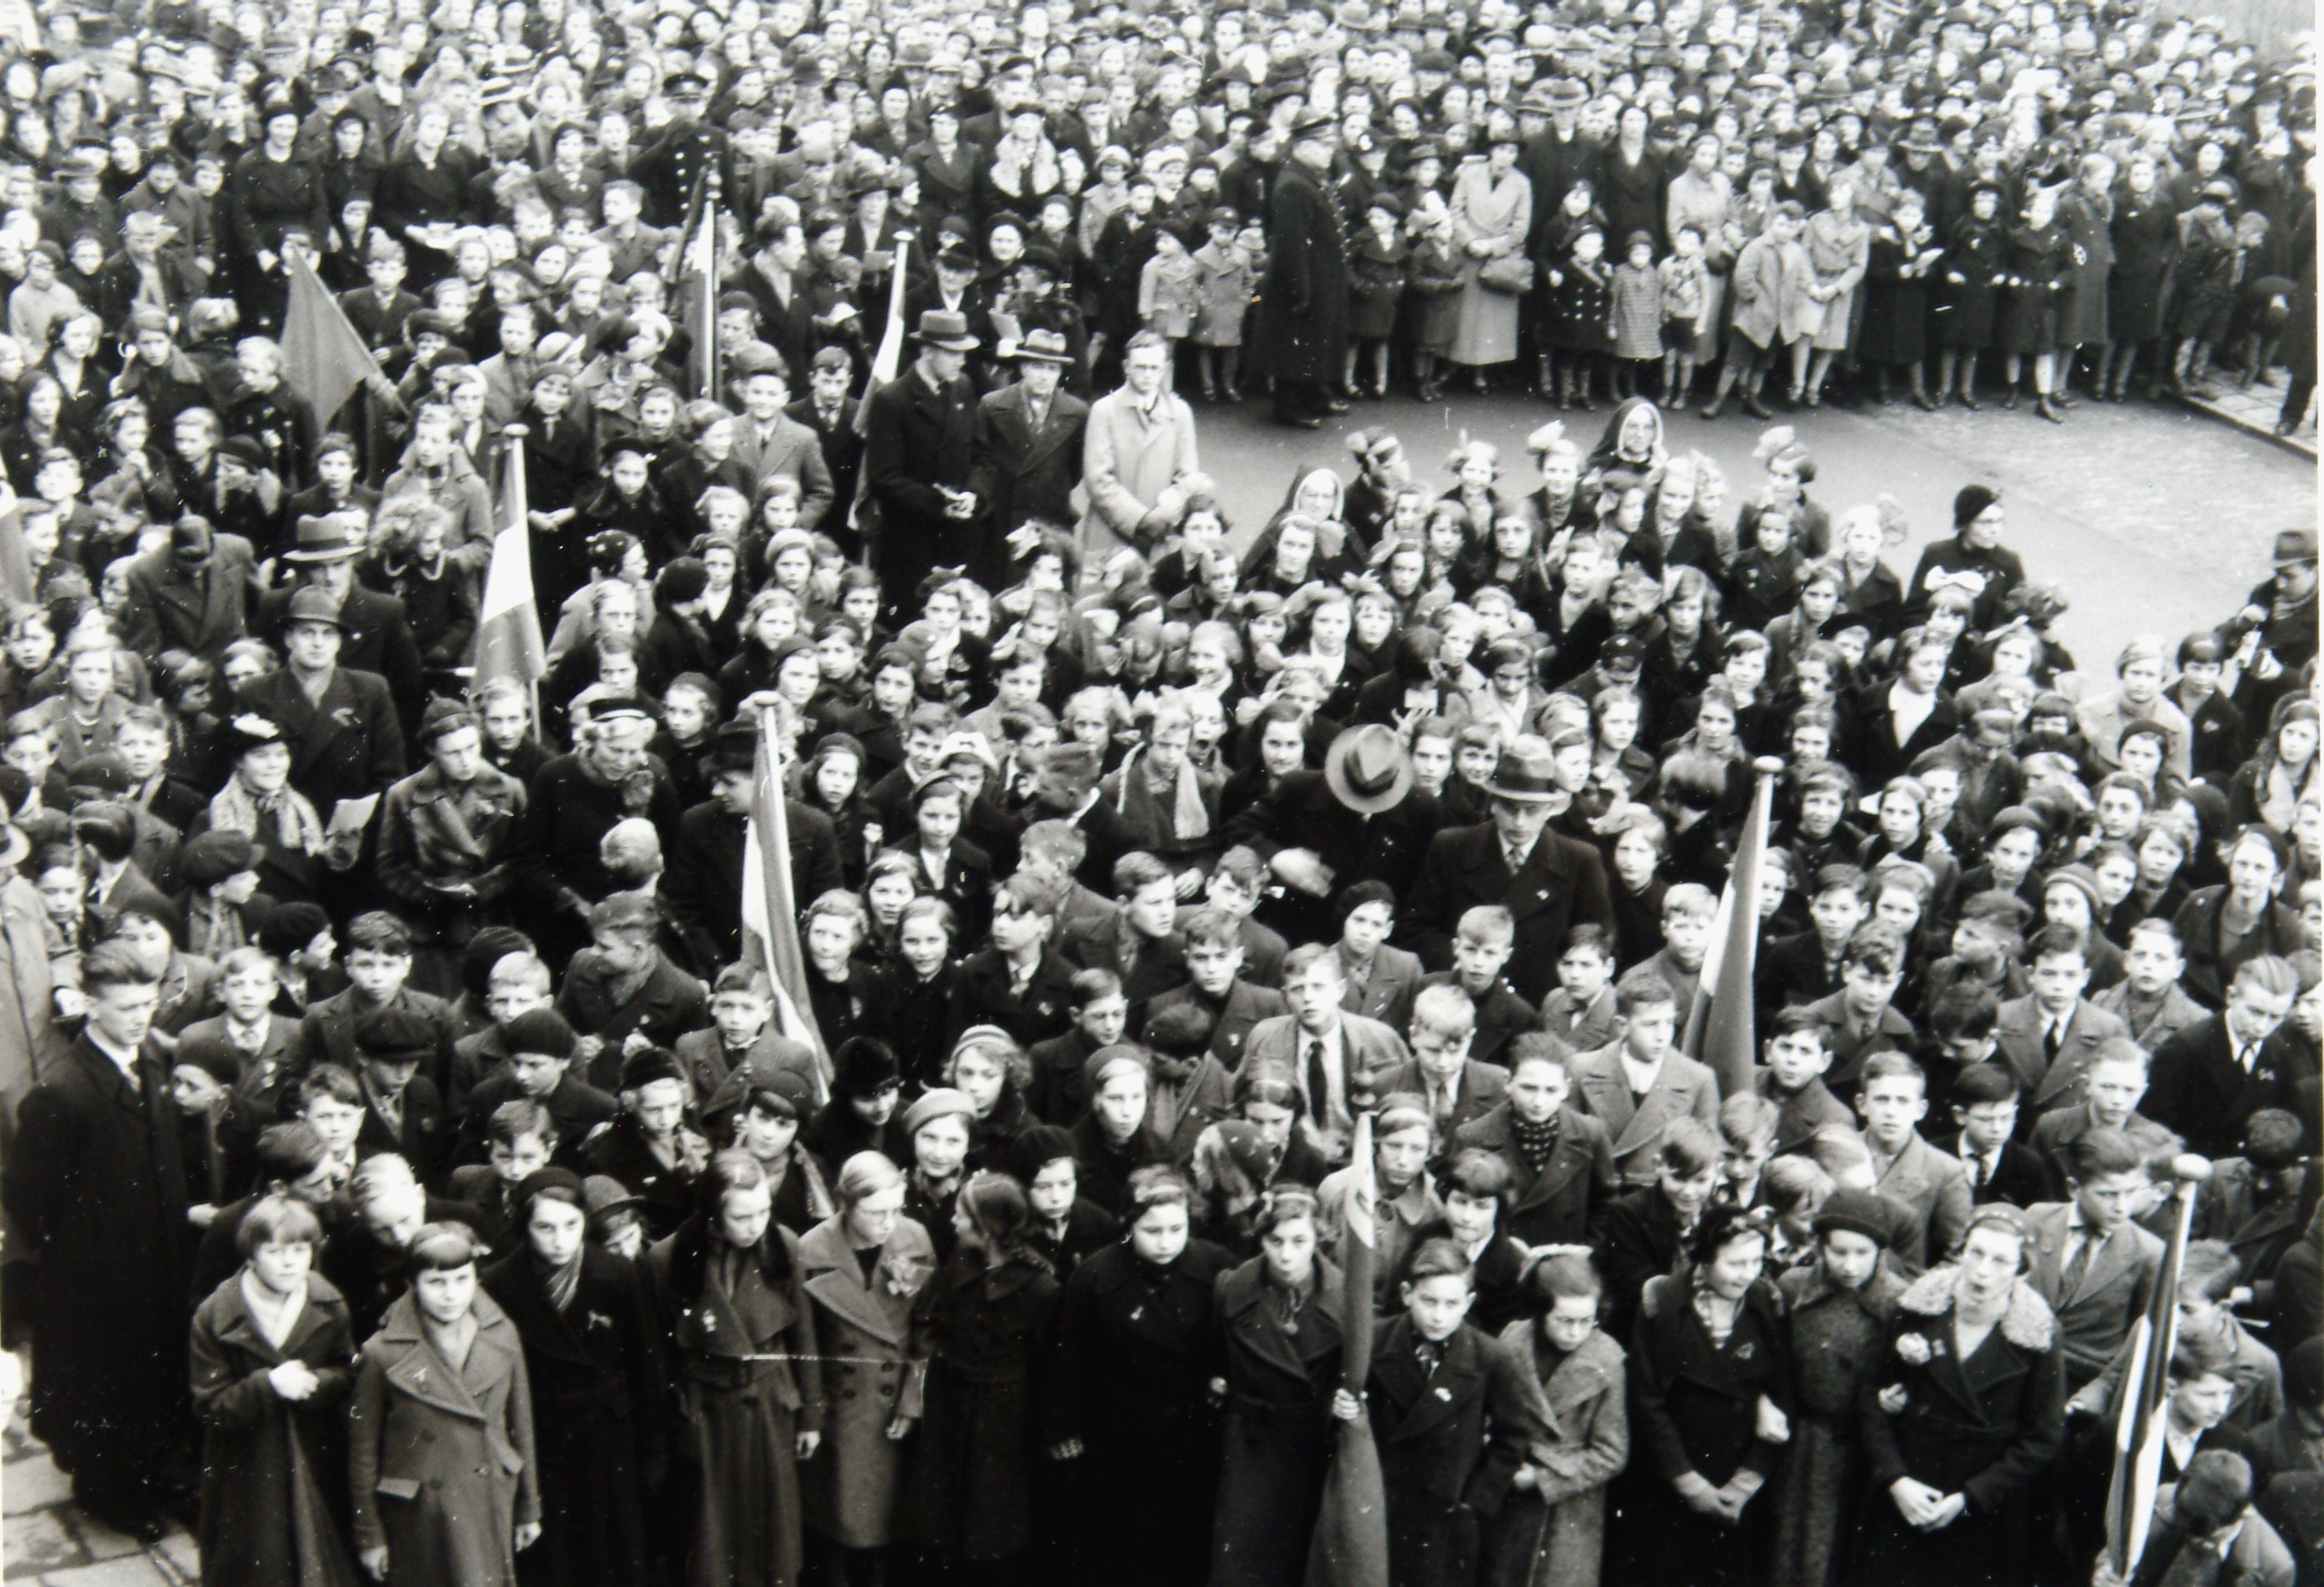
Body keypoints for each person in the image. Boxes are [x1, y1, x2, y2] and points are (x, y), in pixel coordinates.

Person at [2, 938, 193, 1539]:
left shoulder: (151, 1061)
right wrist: (80, 1252)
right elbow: (28, 1196)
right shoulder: (62, 1093)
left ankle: (153, 1473)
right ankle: (108, 1491)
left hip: (158, 1259)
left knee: (153, 1374)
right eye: (126, 1006)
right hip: (95, 1277)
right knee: (104, 1383)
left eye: (147, 1003)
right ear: (90, 1004)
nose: (140, 1017)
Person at [1847, 1202, 2065, 1587]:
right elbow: (1871, 1394)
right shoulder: (1916, 1308)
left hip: (1981, 1507)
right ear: (1961, 1250)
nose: (1983, 1270)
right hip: (1907, 1486)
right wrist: (1896, 1479)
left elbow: (2043, 1437)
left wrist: (1972, 1497)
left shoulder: (2039, 1335)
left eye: (2001, 1260)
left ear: (2022, 1267)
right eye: (1976, 1252)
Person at [646, 1150, 823, 1587]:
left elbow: (803, 1336)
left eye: (764, 1211)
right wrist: (675, 1417)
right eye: (742, 1217)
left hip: (768, 1406)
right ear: (712, 1212)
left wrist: (811, 1416)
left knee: (771, 1533)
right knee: (712, 1535)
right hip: (707, 1410)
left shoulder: (784, 1245)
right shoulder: (668, 1257)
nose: (756, 1226)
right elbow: (662, 1351)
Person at [477, 1168, 662, 1587]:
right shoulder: (499, 1284)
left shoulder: (617, 1274)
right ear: (524, 1227)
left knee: (614, 1558)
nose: (560, 1240)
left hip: (610, 1440)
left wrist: (654, 1450)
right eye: (545, 1227)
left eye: (571, 1225)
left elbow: (647, 1365)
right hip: (543, 1441)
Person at [1055, 1164, 1232, 1587]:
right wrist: (1061, 1427)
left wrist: (1222, 1375)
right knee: (1122, 1547)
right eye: (1153, 1231)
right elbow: (1068, 1358)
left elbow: (1234, 1337)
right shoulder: (1096, 1277)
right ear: (1129, 1226)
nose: (1166, 1242)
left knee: (1182, 1544)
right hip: (1119, 1437)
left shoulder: (1216, 1268)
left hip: (1191, 1435)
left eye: (1177, 1229)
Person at [348, 1222, 543, 1587]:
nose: (451, 1294)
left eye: (462, 1280)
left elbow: (521, 1425)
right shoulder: (382, 1352)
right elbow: (363, 1453)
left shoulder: (502, 1334)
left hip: (488, 1495)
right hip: (422, 1509)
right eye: (436, 1282)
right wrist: (369, 1535)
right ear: (413, 1284)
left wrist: (529, 1506)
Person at [187, 1194, 360, 1587]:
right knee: (258, 1562)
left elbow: (347, 1371)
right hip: (248, 1462)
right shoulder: (215, 1315)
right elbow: (211, 1405)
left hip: (315, 1453)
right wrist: (267, 1385)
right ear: (251, 1256)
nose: (289, 1263)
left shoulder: (328, 1303)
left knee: (321, 1555)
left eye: (300, 1251)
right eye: (275, 1251)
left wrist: (317, 1383)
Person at [899, 1169, 1063, 1576]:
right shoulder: (961, 1261)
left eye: (962, 1214)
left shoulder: (1040, 1289)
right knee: (941, 1517)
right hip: (949, 1405)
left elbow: (1049, 1369)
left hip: (1001, 1417)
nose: (954, 1221)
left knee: (989, 1520)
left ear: (986, 1227)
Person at [1621, 1201, 1794, 1587]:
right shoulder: (1664, 1301)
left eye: (1756, 1262)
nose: (1747, 1274)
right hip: (1672, 1479)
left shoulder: (1767, 1302)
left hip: (1737, 1482)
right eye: (1735, 1263)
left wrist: (1744, 1485)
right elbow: (1646, 1399)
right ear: (1706, 1257)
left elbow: (1783, 1393)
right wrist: (1689, 1484)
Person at [796, 1151, 935, 1587]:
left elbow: (926, 1331)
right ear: (846, 1205)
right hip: (841, 1410)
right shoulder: (812, 1249)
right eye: (876, 1213)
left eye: (897, 1209)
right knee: (839, 1520)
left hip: (892, 1407)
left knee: (888, 1521)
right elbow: (806, 1343)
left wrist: (911, 1402)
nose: (889, 1222)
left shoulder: (914, 1238)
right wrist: (812, 1416)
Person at [1770, 1189, 1910, 1587]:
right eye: (1838, 1252)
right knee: (1791, 1546)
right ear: (1820, 1247)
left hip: (1864, 1449)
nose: (1850, 1265)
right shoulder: (1794, 1288)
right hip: (1801, 1443)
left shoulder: (1897, 1301)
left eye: (1862, 1253)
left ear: (1880, 1252)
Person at [1208, 1185, 1344, 1587]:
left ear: (1318, 1238)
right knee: (1244, 1557)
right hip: (1248, 1442)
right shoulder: (1232, 1289)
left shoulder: (1344, 1300)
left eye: (1299, 1241)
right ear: (1261, 1240)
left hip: (1309, 1443)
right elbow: (1216, 1355)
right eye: (1275, 1241)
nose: (1286, 1255)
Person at [1262, 112, 1352, 429]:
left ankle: (1315, 395)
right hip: (1304, 280)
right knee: (1296, 345)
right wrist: (1299, 289)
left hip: (1321, 277)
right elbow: (1291, 245)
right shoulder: (1294, 185)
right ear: (1302, 146)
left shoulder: (1309, 177)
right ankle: (1289, 406)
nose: (1331, 151)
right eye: (1324, 145)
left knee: (1317, 340)